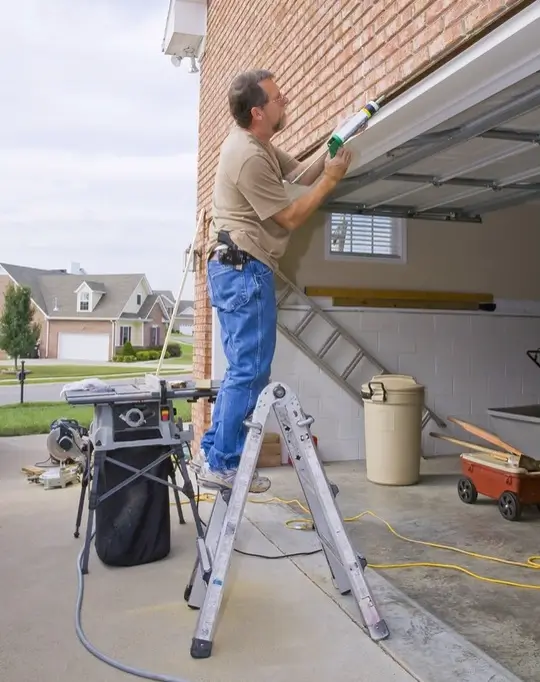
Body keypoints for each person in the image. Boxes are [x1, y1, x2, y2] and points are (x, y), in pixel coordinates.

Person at [193, 69, 352, 493]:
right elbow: (292, 215)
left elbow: (299, 177)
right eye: (280, 99)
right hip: (243, 268)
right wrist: (332, 179)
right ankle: (224, 463)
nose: (287, 103)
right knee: (249, 370)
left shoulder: (259, 145)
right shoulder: (246, 156)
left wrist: (331, 147)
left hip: (235, 267)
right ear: (259, 111)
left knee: (240, 371)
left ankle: (215, 452)